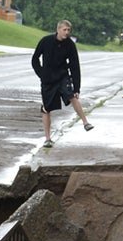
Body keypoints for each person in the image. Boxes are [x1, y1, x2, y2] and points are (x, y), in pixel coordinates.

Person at [31, 19, 92, 148]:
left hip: (62, 76)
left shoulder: (70, 44)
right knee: (46, 107)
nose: (66, 32)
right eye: (64, 30)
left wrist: (77, 87)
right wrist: (41, 74)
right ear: (58, 30)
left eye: (68, 30)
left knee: (71, 95)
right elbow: (35, 59)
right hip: (48, 79)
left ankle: (85, 122)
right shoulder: (46, 41)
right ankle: (47, 138)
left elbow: (75, 65)